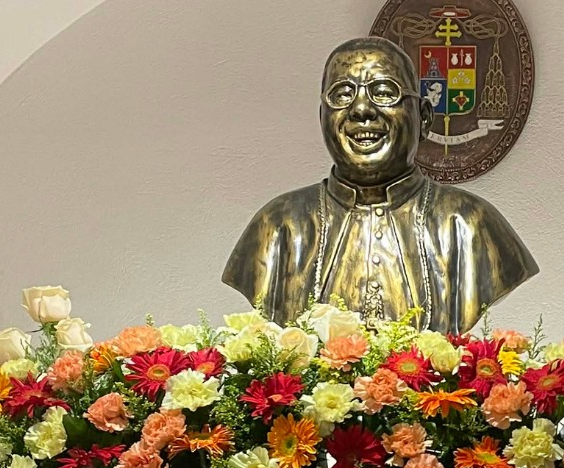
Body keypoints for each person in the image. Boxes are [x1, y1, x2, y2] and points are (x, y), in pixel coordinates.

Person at [222, 37, 536, 334]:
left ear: (424, 117)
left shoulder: (471, 224)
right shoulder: (278, 225)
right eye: (342, 94)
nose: (361, 109)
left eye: (384, 92)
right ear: (322, 116)